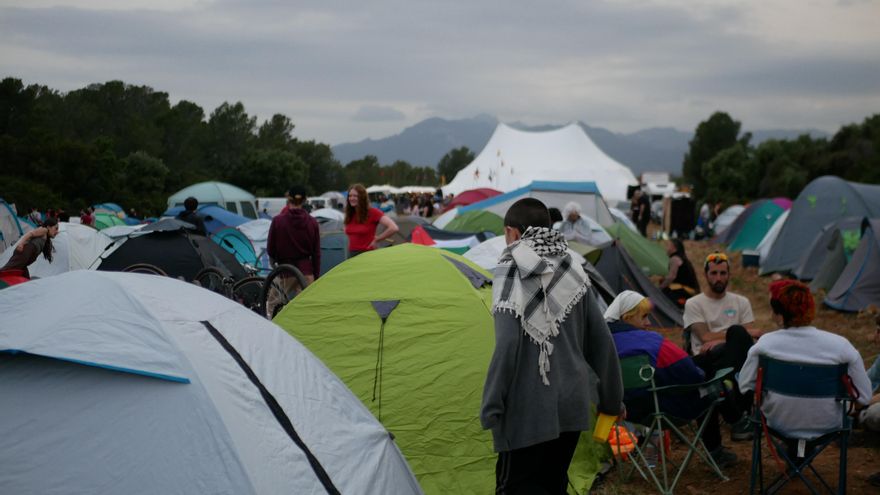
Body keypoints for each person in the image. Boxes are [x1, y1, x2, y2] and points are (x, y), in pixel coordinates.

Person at [480, 198, 623, 494]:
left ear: (512, 232)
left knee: (514, 488)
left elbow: (507, 344)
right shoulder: (572, 267)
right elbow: (602, 343)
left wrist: (492, 403)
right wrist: (612, 400)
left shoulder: (511, 267)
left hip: (527, 411)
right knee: (553, 484)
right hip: (572, 406)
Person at [739, 280, 871, 440]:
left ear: (779, 312)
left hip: (778, 422)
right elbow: (864, 397)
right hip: (828, 424)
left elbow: (745, 386)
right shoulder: (840, 346)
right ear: (811, 309)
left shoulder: (766, 344)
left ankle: (792, 455)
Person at [683, 251, 759, 447]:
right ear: (706, 275)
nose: (719, 278)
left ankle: (729, 390)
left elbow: (754, 334)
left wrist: (722, 339)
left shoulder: (741, 302)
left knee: (738, 336)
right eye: (714, 273)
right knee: (737, 332)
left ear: (729, 275)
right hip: (708, 359)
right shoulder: (694, 303)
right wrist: (733, 335)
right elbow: (704, 337)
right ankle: (738, 412)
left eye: (723, 273)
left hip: (736, 356)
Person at [266, 185, 321, 318]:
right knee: (304, 312)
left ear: (288, 199)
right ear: (304, 200)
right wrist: (316, 275)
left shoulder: (278, 221)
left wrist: (275, 261)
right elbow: (316, 253)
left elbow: (270, 249)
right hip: (306, 272)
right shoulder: (312, 222)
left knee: (271, 306)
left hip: (285, 272)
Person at [344, 184, 398, 257]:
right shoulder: (350, 214)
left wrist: (377, 239)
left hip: (367, 254)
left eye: (355, 196)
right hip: (351, 254)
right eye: (350, 196)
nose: (351, 198)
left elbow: (393, 228)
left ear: (362, 197)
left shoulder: (373, 212)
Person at [659, 239, 700, 309]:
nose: (667, 248)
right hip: (693, 290)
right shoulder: (682, 258)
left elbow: (671, 277)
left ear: (674, 248)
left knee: (665, 290)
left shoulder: (675, 259)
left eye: (669, 245)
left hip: (688, 290)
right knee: (663, 281)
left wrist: (659, 289)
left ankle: (679, 303)